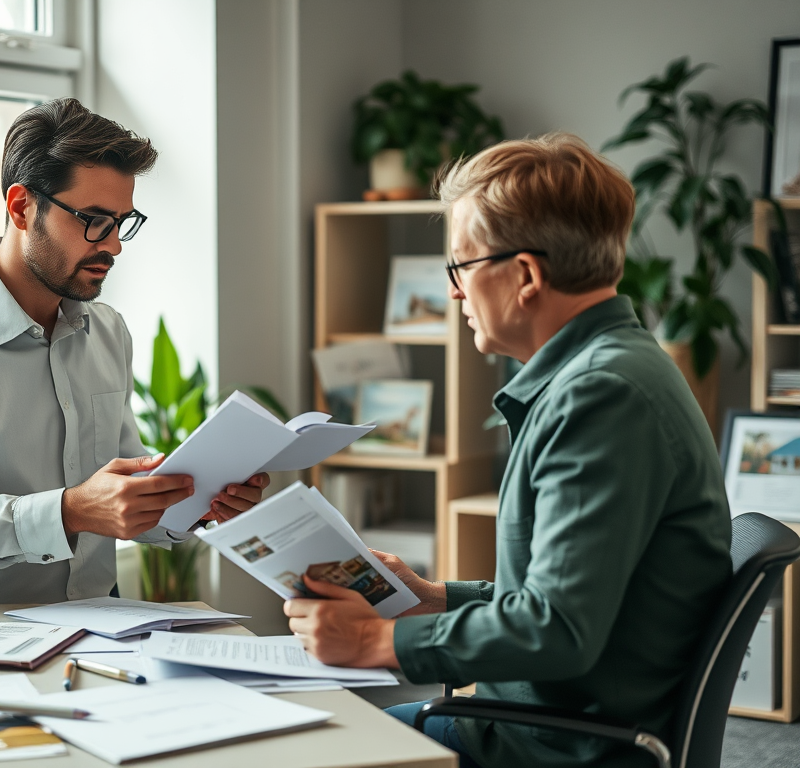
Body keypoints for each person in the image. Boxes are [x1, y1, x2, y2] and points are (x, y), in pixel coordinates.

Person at [284, 133, 732, 768]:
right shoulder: (612, 371)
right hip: (545, 726)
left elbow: (560, 628)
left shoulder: (599, 397)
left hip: (546, 747)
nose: (454, 293)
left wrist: (377, 640)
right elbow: (569, 594)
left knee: (302, 749)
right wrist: (433, 596)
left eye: (460, 267)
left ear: (524, 275)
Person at [0, 98, 268, 605]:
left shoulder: (106, 331)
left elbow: (119, 502)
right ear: (21, 207)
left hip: (97, 630)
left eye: (123, 221)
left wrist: (197, 503)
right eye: (95, 220)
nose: (114, 245)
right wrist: (69, 512)